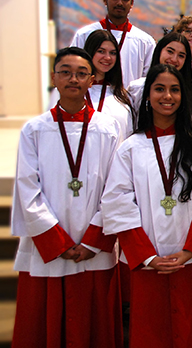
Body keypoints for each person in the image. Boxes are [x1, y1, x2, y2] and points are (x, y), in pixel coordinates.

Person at [101, 64, 192, 347]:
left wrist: (190, 250)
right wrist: (146, 256)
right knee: (151, 332)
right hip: (149, 259)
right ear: (147, 96)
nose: (167, 96)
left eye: (174, 89)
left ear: (184, 96)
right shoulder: (130, 147)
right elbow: (117, 202)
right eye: (159, 89)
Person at [12, 47, 122, 347]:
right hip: (48, 245)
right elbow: (26, 186)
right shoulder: (34, 129)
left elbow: (117, 187)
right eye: (65, 72)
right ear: (54, 78)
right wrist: (56, 242)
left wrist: (93, 241)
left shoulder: (107, 128)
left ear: (92, 80)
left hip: (93, 244)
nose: (73, 79)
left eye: (81, 73)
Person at [50, 30, 135, 142]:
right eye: (101, 51)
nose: (108, 57)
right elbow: (51, 128)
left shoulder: (121, 96)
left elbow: (127, 137)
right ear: (91, 52)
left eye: (113, 53)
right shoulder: (66, 91)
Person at [71, 0, 155, 88]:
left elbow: (148, 79)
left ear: (132, 3)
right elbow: (74, 68)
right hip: (90, 98)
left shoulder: (145, 41)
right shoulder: (84, 35)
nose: (120, 3)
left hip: (130, 101)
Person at [128, 32, 192, 115]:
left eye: (181, 56)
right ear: (159, 51)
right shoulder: (137, 88)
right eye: (170, 52)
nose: (174, 59)